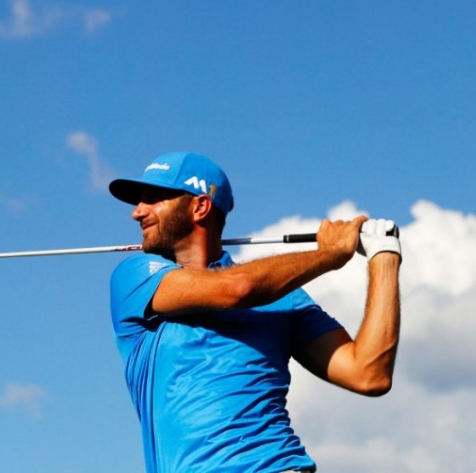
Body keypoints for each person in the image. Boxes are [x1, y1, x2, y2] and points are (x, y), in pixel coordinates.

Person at [109, 152, 402, 473]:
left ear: (199, 207)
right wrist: (328, 255)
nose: (137, 212)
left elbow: (368, 373)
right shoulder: (137, 277)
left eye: (153, 199)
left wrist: (384, 257)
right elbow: (236, 289)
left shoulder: (283, 298)